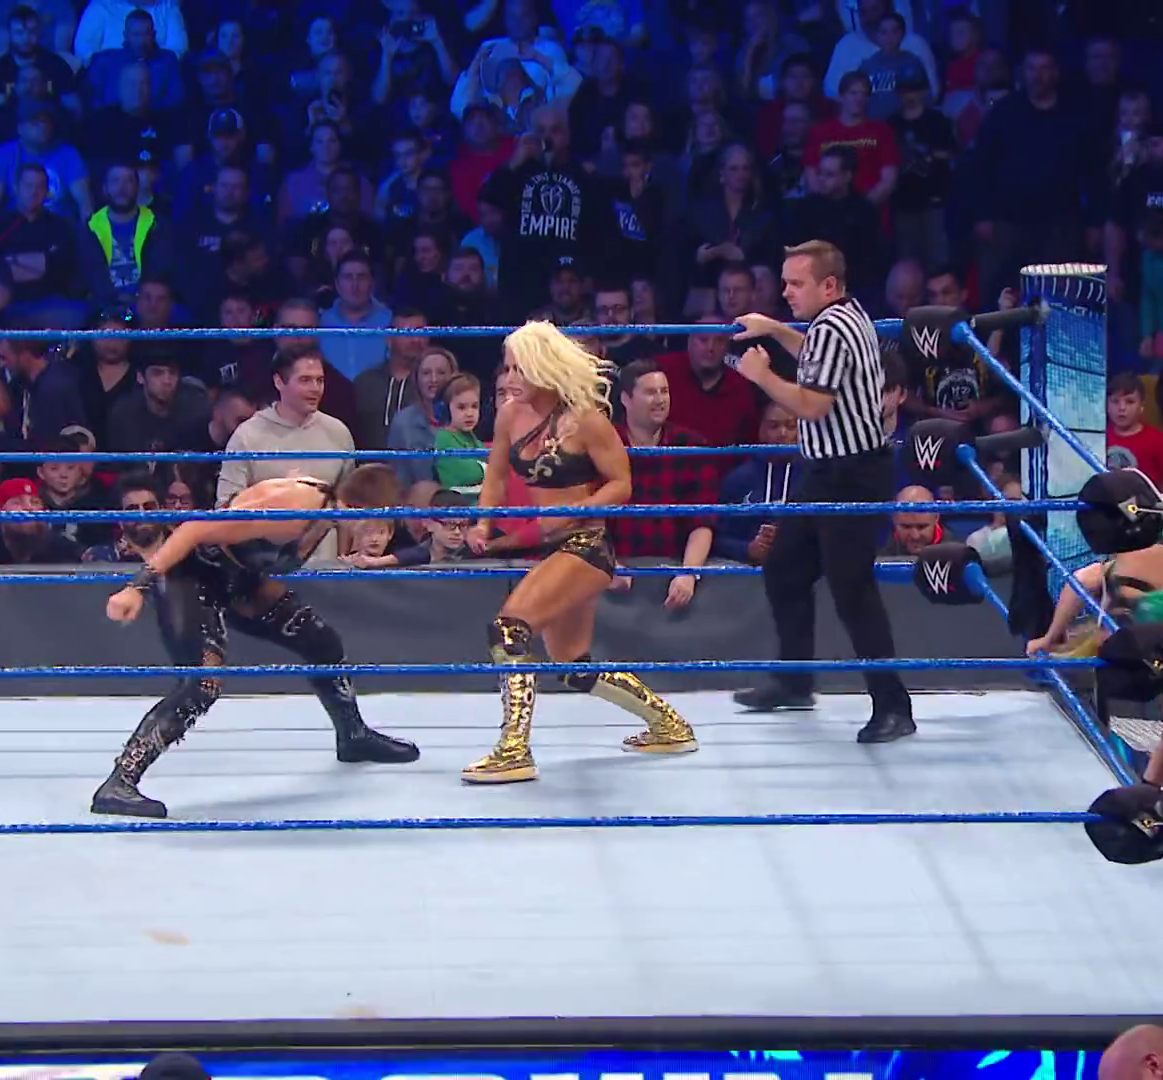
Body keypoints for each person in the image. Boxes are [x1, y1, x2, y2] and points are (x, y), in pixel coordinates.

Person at [96, 465, 421, 818]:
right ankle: (119, 782)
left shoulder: (324, 509)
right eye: (375, 522)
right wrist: (136, 587)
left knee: (320, 640)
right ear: (364, 510)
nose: (375, 532)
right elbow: (194, 528)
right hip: (192, 576)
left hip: (237, 578)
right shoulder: (295, 511)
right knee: (202, 683)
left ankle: (353, 736)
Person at [459, 321, 698, 785]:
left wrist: (576, 510)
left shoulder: (586, 419)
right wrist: (483, 523)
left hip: (587, 544)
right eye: (507, 368)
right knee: (573, 668)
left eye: (519, 368)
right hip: (550, 546)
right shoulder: (510, 416)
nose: (510, 378)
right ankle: (670, 725)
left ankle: (513, 751)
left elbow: (621, 485)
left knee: (509, 628)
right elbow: (495, 476)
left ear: (543, 367)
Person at [727, 240, 914, 743]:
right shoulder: (846, 315)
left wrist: (762, 375)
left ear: (827, 285)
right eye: (785, 282)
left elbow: (811, 405)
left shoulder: (831, 327)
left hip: (850, 474)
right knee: (785, 567)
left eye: (796, 283)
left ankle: (893, 706)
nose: (786, 291)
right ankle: (794, 680)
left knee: (852, 590)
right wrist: (774, 329)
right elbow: (814, 355)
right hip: (827, 473)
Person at [1025, 484, 1163, 788]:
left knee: (1124, 648)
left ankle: (1086, 672)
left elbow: (1080, 582)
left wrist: (1050, 637)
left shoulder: (1132, 560)